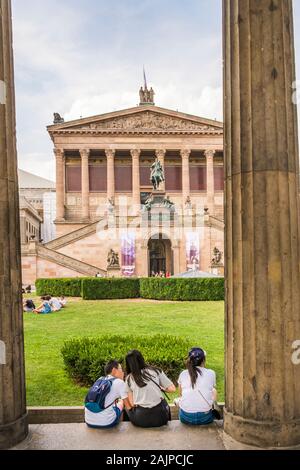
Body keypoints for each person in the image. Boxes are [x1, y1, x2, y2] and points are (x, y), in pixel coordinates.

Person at [125, 350, 176, 428]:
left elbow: (132, 404)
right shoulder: (156, 371)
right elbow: (172, 389)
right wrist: (162, 388)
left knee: (127, 407)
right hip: (161, 418)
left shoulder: (129, 378)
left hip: (141, 420)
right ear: (141, 359)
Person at [175, 347, 217, 426]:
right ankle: (213, 408)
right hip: (205, 418)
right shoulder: (211, 373)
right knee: (214, 390)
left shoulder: (183, 374)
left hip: (186, 418)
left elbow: (180, 394)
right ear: (204, 360)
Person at [85, 360, 129, 429]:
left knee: (114, 403)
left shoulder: (100, 379)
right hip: (106, 422)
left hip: (88, 421)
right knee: (121, 402)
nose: (123, 372)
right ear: (114, 370)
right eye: (121, 369)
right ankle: (120, 428)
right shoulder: (119, 382)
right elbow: (128, 406)